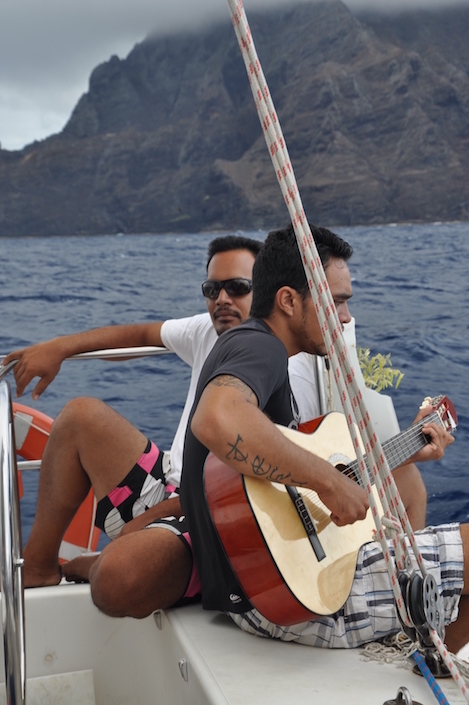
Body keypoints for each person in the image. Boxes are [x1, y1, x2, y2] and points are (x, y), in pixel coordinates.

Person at [180, 223, 469, 653]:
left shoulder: (249, 347)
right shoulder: (262, 347)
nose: (347, 317)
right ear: (288, 300)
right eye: (336, 301)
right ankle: (425, 658)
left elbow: (287, 482)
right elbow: (216, 418)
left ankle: (428, 656)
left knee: (410, 488)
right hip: (286, 603)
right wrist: (329, 481)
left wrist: (409, 450)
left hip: (266, 590)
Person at [3, 234, 263, 589]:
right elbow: (140, 334)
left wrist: (151, 518)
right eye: (212, 289)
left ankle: (106, 561)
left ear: (264, 291)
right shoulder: (207, 331)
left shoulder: (278, 365)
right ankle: (37, 567)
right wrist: (59, 347)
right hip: (169, 486)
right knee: (80, 416)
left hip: (209, 513)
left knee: (116, 578)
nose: (222, 299)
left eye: (237, 287)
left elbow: (240, 490)